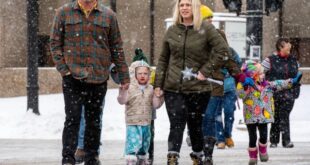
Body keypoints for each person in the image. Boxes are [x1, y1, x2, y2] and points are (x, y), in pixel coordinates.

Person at [50, 0, 130, 164]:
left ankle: (91, 157)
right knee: (72, 118)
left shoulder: (108, 16)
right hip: (72, 77)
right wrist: (64, 70)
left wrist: (124, 75)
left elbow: (116, 47)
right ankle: (68, 159)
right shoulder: (63, 12)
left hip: (98, 76)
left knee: (94, 120)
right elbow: (55, 43)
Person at [154, 0, 231, 164]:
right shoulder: (172, 30)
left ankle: (197, 154)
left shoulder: (206, 28)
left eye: (188, 4)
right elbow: (163, 59)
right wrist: (158, 84)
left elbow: (223, 51)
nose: (184, 8)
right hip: (173, 87)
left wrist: (206, 70)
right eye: (181, 5)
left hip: (198, 89)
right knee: (176, 123)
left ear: (194, 7)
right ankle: (172, 156)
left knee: (195, 126)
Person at [236, 60, 302, 165]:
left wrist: (292, 81)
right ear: (253, 75)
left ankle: (262, 150)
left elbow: (279, 83)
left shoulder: (267, 85)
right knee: (252, 137)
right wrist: (244, 85)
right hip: (250, 116)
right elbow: (240, 95)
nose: (263, 75)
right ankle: (253, 157)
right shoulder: (246, 85)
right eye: (261, 73)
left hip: (263, 116)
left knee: (263, 136)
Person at [118, 60, 164, 165]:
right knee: (133, 142)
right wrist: (122, 91)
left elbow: (156, 105)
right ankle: (131, 159)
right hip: (132, 122)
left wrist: (158, 96)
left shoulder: (151, 89)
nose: (142, 76)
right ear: (134, 74)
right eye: (139, 73)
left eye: (145, 73)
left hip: (146, 122)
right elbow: (122, 101)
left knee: (145, 143)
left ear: (149, 75)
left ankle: (142, 159)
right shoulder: (129, 87)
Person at [262, 38, 301, 148]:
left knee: (284, 115)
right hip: (274, 92)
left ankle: (283, 140)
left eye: (290, 46)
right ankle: (277, 141)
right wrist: (265, 85)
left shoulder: (294, 60)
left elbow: (297, 76)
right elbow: (259, 72)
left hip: (289, 93)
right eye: (287, 46)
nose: (290, 48)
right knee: (276, 116)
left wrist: (295, 90)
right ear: (280, 47)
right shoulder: (270, 60)